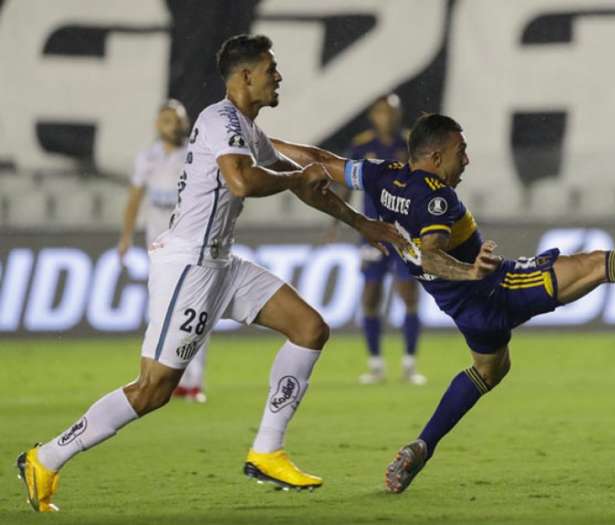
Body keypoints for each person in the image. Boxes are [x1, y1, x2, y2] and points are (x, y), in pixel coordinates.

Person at [16, 34, 402, 512]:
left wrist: (364, 224)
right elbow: (242, 181)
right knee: (153, 390)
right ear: (245, 76)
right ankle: (45, 457)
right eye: (270, 69)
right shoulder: (218, 119)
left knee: (309, 328)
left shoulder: (248, 129)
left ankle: (267, 450)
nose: (278, 76)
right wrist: (295, 178)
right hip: (189, 266)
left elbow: (303, 183)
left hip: (221, 262)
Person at [270, 113, 615, 494]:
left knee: (490, 370)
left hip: (465, 312)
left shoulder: (382, 176)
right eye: (459, 151)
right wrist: (469, 270)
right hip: (496, 289)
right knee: (595, 264)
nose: (466, 159)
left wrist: (255, 137)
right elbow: (431, 251)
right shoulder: (438, 202)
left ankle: (422, 446)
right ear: (434, 156)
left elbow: (316, 159)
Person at [118, 100, 209, 403]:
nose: (173, 125)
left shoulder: (196, 154)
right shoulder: (148, 158)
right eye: (167, 120)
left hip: (191, 241)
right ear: (159, 125)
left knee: (194, 307)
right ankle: (165, 377)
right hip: (158, 245)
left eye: (177, 119)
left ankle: (193, 381)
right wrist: (126, 237)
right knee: (162, 308)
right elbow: (134, 199)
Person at [332, 94, 425, 385]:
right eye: (382, 112)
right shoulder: (362, 146)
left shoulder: (410, 144)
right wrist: (336, 219)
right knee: (370, 295)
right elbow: (346, 184)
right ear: (374, 116)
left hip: (406, 233)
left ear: (399, 115)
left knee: (408, 293)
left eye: (392, 112)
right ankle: (375, 364)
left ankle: (409, 364)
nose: (387, 117)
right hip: (373, 234)